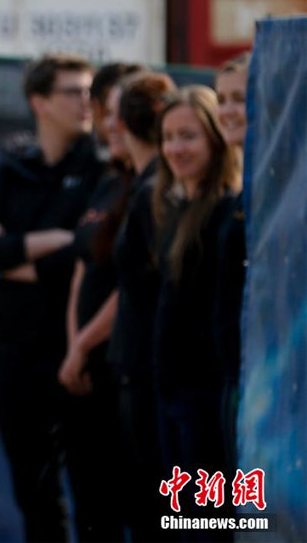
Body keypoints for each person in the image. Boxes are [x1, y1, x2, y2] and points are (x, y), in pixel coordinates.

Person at [0, 54, 101, 542]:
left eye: (90, 91)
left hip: (82, 355)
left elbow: (89, 255)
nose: (87, 102)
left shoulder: (102, 169)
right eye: (73, 92)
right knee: (34, 494)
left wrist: (14, 250)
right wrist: (54, 240)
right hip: (18, 356)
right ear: (40, 102)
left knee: (94, 493)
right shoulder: (8, 172)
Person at [57, 63, 143, 542]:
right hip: (85, 365)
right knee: (91, 506)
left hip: (118, 365)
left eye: (121, 114)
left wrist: (84, 345)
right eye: (106, 113)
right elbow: (81, 268)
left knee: (137, 504)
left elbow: (128, 283)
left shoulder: (145, 188)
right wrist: (74, 346)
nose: (111, 124)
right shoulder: (108, 181)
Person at [152, 86, 242, 539]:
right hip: (174, 397)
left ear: (214, 139)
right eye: (168, 137)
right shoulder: (180, 208)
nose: (174, 148)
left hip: (206, 400)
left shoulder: (229, 211)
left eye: (187, 136)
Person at [105, 71, 176, 542]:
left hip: (154, 371)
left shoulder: (155, 191)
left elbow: (136, 286)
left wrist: (81, 344)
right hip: (138, 366)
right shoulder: (139, 186)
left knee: (155, 507)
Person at [213, 52, 251, 470]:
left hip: (259, 379)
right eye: (221, 99)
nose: (226, 111)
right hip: (231, 374)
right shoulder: (248, 184)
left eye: (239, 98)